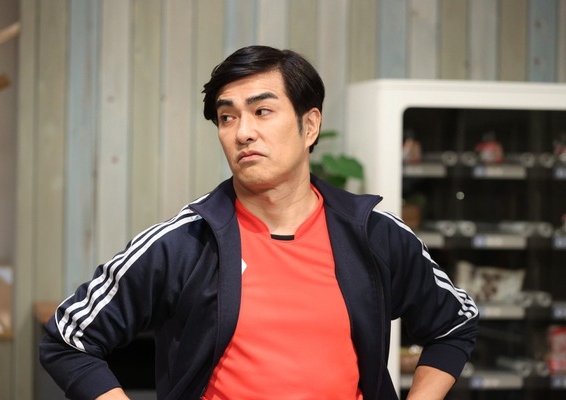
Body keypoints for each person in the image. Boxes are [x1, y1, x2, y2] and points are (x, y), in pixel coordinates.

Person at [40, 45, 478, 400]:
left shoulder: (375, 234)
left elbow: (455, 323)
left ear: (310, 126)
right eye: (227, 117)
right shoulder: (184, 242)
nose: (242, 132)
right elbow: (67, 338)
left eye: (262, 111)